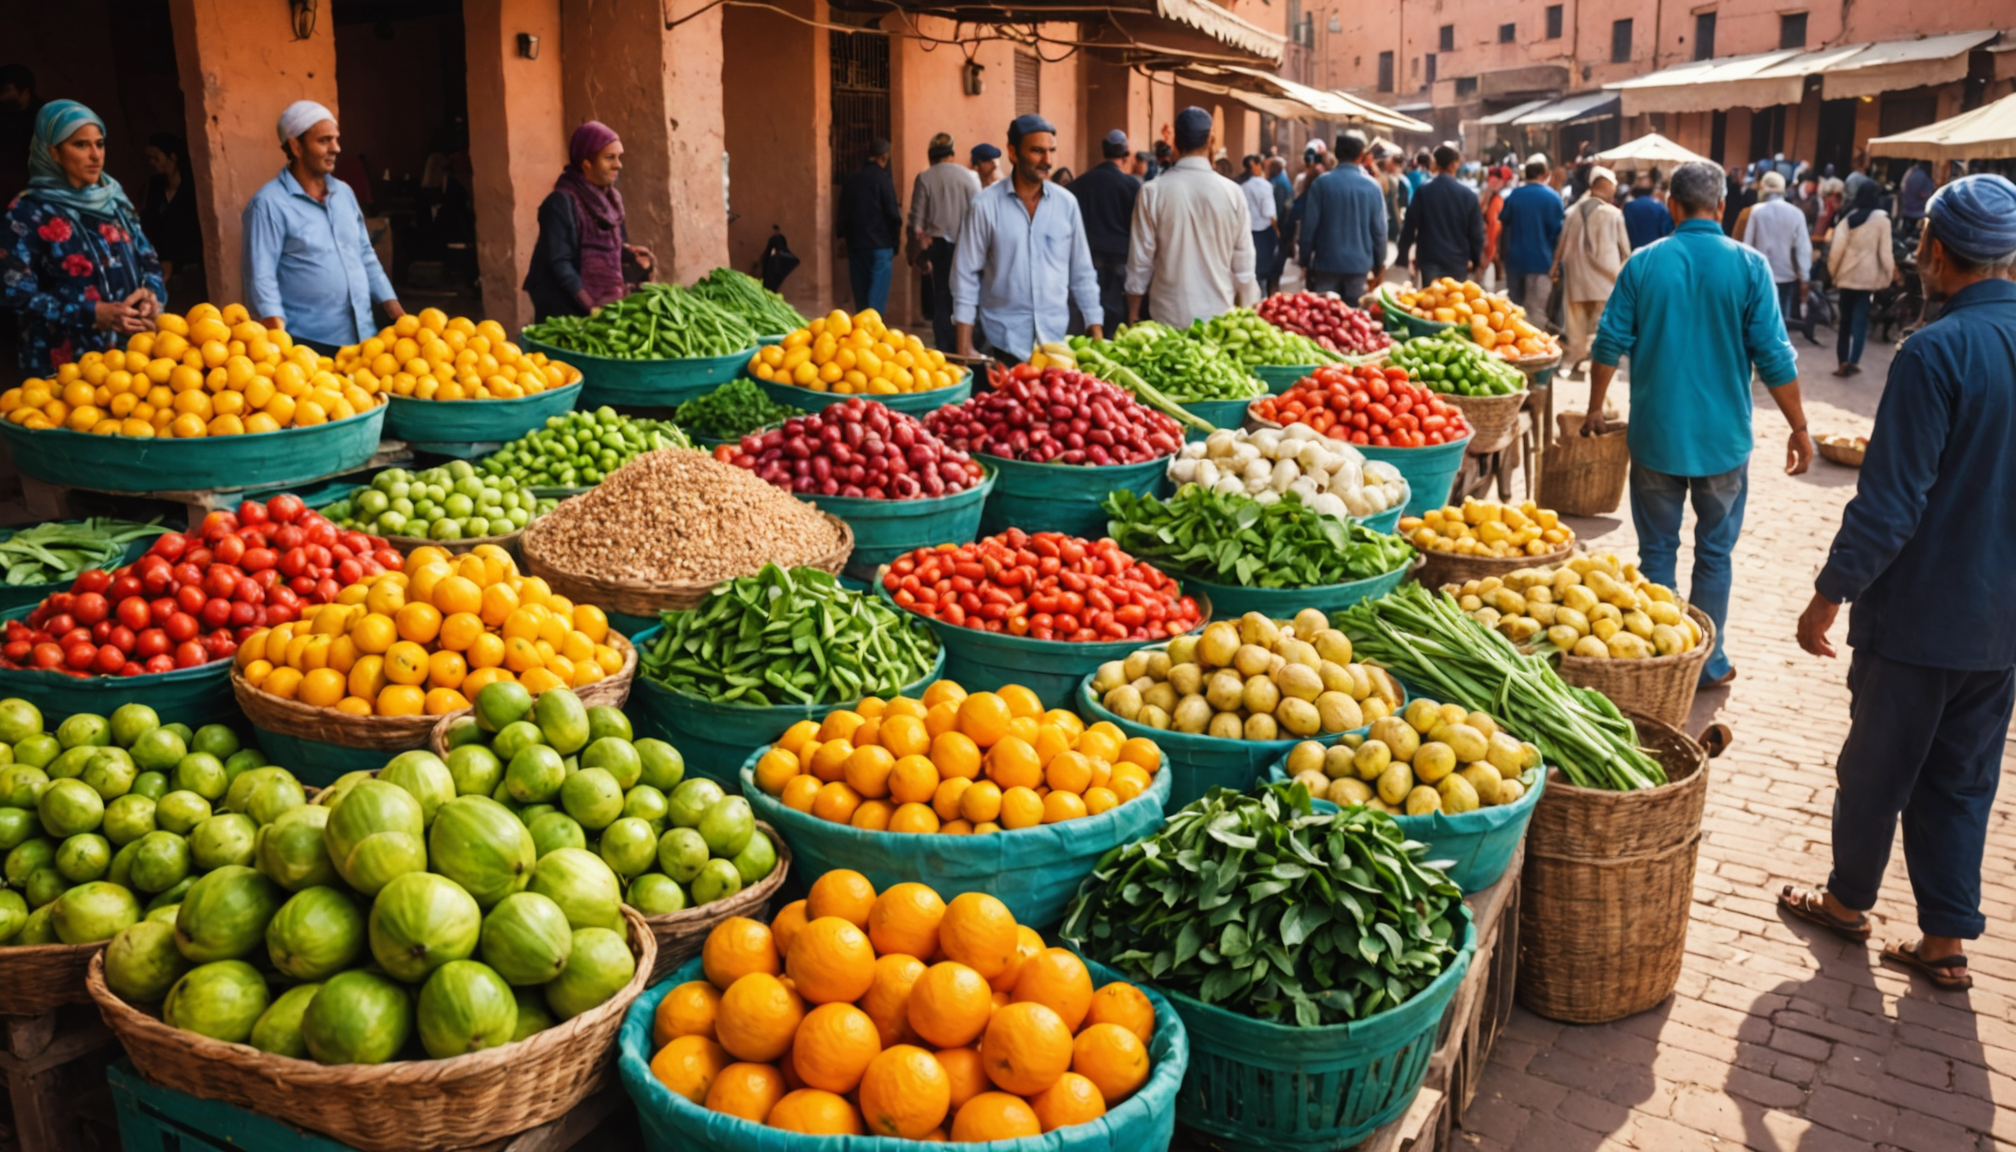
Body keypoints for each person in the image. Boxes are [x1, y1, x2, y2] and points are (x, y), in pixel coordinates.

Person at [1783, 174, 2016, 995]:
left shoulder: (1934, 351)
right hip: (1999, 626)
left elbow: (1891, 505)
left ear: (1936, 252)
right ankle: (1944, 941)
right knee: (1964, 780)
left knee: (1876, 771)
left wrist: (1828, 594)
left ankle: (1848, 902)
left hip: (1920, 616)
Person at [1583, 160, 1813, 689]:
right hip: (1722, 442)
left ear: (1672, 205)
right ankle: (1708, 662)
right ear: (1722, 207)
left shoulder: (1643, 264)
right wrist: (1799, 427)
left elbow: (1608, 343)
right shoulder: (1750, 266)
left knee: (1656, 553)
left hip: (1655, 437)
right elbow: (1775, 358)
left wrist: (1595, 407)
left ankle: (1658, 662)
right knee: (1714, 554)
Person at [1, 99, 164, 373]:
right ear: (53, 152)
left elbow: (148, 258)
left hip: (130, 356)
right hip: (66, 361)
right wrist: (90, 313)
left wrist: (151, 294)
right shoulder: (27, 213)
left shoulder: (114, 201)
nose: (95, 155)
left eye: (99, 144)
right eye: (81, 145)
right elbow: (13, 292)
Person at [244, 101, 402, 353]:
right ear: (296, 146)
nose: (336, 148)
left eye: (336, 139)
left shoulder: (344, 193)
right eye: (324, 140)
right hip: (306, 344)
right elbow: (261, 277)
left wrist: (396, 311)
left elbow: (364, 253)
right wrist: (278, 343)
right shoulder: (269, 204)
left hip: (363, 337)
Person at [951, 114, 1101, 362]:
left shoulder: (1067, 205)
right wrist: (964, 346)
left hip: (1056, 342)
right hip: (1001, 342)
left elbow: (1082, 272)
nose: (1047, 161)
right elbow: (965, 276)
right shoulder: (985, 205)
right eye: (1037, 151)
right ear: (1013, 153)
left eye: (1051, 151)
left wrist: (1095, 331)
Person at [1125, 107, 1258, 329]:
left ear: (1175, 142)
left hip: (1168, 320)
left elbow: (1140, 263)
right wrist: (1248, 315)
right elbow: (1244, 268)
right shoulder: (1233, 193)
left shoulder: (1152, 192)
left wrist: (1132, 313)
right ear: (1211, 139)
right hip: (1219, 321)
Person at [521, 121, 653, 323]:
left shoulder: (612, 201)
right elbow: (560, 263)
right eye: (609, 157)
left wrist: (632, 254)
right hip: (563, 305)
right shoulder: (560, 203)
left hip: (598, 305)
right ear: (586, 163)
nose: (618, 164)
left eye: (619, 157)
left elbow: (614, 247)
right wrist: (591, 306)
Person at [1552, 165, 1631, 380]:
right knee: (1601, 328)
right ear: (1608, 186)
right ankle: (1594, 363)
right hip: (1606, 282)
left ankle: (1576, 359)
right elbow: (1626, 251)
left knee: (1576, 327)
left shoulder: (1571, 212)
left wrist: (1554, 267)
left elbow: (1561, 245)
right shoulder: (1614, 214)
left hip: (1576, 280)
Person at [906, 132, 982, 351]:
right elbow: (980, 215)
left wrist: (916, 254)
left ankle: (944, 348)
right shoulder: (971, 177)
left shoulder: (925, 178)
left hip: (938, 246)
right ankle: (966, 344)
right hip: (967, 244)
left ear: (931, 156)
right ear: (952, 154)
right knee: (967, 295)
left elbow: (916, 222)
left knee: (941, 297)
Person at [1297, 131, 1385, 301]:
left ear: (1336, 154)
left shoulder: (1321, 184)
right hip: (1359, 266)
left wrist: (1304, 261)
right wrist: (1379, 263)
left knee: (1326, 313)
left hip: (1326, 264)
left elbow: (1309, 227)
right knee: (1355, 314)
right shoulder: (1373, 187)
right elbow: (1379, 231)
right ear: (1361, 155)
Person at [1069, 130, 1141, 335]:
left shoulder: (1078, 184)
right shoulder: (1131, 186)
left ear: (1103, 151)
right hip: (1120, 271)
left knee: (1086, 328)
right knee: (1115, 332)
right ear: (1126, 156)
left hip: (1085, 268)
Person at [1825, 179, 1895, 377]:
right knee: (1860, 323)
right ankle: (1854, 361)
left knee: (1844, 323)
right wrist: (1889, 274)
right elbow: (1885, 253)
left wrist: (1834, 274)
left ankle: (1842, 361)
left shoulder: (1847, 219)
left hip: (1846, 278)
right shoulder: (1882, 220)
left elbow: (1836, 251)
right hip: (1866, 280)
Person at [1397, 145, 1485, 286]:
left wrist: (1403, 255)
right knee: (1455, 298)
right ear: (1454, 164)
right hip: (1457, 261)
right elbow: (1476, 233)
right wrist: (1475, 260)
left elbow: (1409, 225)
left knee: (1432, 297)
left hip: (1429, 259)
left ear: (1435, 162)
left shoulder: (1424, 191)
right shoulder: (1468, 195)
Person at [1744, 171, 1812, 343]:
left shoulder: (1756, 211)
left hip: (1760, 275)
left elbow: (1747, 245)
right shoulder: (1796, 213)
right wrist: (1805, 276)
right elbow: (1803, 248)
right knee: (1781, 322)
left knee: (1759, 319)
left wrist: (1746, 274)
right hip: (1786, 274)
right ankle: (1779, 352)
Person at [837, 137, 902, 315]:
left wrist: (843, 238)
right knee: (876, 303)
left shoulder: (851, 181)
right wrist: (895, 244)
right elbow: (893, 216)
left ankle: (861, 329)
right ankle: (871, 331)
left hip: (856, 246)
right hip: (880, 247)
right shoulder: (884, 181)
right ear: (884, 157)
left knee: (861, 299)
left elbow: (843, 214)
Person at [140, 133, 205, 306]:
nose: (151, 162)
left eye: (156, 157)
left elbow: (193, 230)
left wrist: (172, 260)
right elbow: (150, 224)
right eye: (149, 158)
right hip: (160, 266)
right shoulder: (154, 187)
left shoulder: (193, 187)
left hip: (190, 266)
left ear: (173, 156)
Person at [1498, 158, 1563, 319]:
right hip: (1542, 263)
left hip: (1515, 261)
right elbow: (1559, 234)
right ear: (1545, 174)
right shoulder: (1553, 197)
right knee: (1537, 311)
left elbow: (1504, 223)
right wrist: (1557, 264)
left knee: (1514, 310)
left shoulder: (1514, 195)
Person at [1238, 154, 1278, 298]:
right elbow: (1269, 212)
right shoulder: (1265, 185)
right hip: (1264, 231)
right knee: (1264, 271)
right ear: (1256, 165)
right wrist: (1277, 231)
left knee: (1252, 268)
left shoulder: (1242, 186)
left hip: (1248, 230)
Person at [1265, 157, 1293, 294]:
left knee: (1277, 258)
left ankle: (1273, 288)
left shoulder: (1279, 183)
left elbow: (1279, 208)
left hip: (1282, 225)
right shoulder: (1279, 180)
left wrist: (1276, 228)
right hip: (1284, 225)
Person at [1622, 175, 1674, 249]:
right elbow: (1667, 231)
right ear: (1651, 190)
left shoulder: (1628, 207)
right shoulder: (1660, 207)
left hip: (1634, 250)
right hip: (1656, 250)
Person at [1898, 161, 1935, 240]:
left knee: (1904, 238)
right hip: (1918, 214)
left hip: (1907, 211)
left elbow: (1903, 188)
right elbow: (1923, 194)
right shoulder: (1925, 177)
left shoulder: (1911, 173)